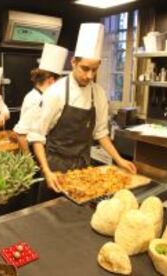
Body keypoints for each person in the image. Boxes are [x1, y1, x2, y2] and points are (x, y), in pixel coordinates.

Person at [27, 23, 137, 202]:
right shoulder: (56, 93)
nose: (89, 76)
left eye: (94, 70)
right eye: (85, 68)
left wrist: (119, 159)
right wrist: (47, 172)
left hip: (84, 168)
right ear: (74, 62)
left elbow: (101, 133)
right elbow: (37, 137)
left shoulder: (98, 94)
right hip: (56, 167)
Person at [13, 43, 68, 153]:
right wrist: (29, 161)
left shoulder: (42, 96)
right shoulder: (36, 99)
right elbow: (21, 134)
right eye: (59, 81)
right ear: (51, 80)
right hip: (35, 150)